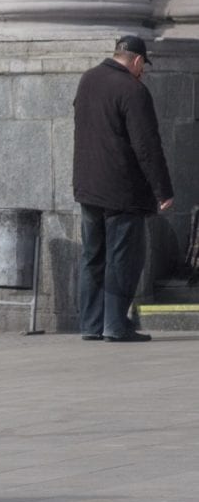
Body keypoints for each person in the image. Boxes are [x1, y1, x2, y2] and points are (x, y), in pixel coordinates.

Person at [73, 35, 174, 343]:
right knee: (123, 259)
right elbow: (147, 145)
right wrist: (163, 190)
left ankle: (91, 325)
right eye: (143, 67)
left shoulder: (87, 80)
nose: (143, 72)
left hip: (88, 187)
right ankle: (116, 325)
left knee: (93, 256)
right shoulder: (133, 90)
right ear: (137, 61)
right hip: (123, 191)